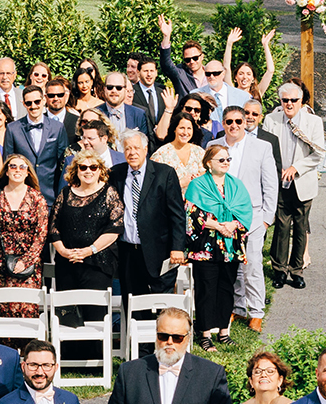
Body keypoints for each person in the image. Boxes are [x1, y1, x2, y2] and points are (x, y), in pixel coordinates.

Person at [215, 106, 277, 333]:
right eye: (229, 121)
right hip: (223, 218)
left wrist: (266, 219)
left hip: (253, 216)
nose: (234, 126)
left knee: (252, 264)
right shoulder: (214, 146)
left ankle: (257, 311)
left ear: (244, 123)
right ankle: (237, 307)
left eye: (238, 122)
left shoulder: (262, 147)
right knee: (231, 266)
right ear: (223, 123)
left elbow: (270, 184)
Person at [110, 130, 188, 305]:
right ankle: (136, 332)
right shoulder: (116, 174)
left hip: (160, 251)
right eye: (128, 148)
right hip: (128, 252)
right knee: (134, 304)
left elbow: (177, 215)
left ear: (145, 149)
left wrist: (177, 247)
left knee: (163, 303)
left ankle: (163, 333)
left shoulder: (164, 174)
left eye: (136, 148)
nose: (132, 152)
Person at [185, 142, 251, 347]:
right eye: (221, 160)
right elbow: (191, 213)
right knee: (206, 289)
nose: (225, 163)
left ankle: (223, 331)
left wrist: (232, 224)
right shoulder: (198, 185)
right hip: (205, 248)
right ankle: (205, 334)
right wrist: (218, 226)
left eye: (228, 159)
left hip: (229, 247)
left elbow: (245, 211)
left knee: (226, 288)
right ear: (208, 163)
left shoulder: (236, 184)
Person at [264, 80, 326, 288]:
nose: (289, 104)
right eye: (285, 100)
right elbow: (265, 149)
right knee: (281, 226)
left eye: (294, 100)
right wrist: (277, 168)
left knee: (300, 228)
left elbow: (318, 154)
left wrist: (296, 168)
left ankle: (297, 271)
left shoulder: (314, 122)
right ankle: (279, 270)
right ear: (280, 101)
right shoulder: (271, 120)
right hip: (279, 180)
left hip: (302, 181)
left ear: (301, 101)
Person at [49, 154, 123, 316]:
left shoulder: (109, 193)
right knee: (68, 317)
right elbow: (53, 227)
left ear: (100, 170)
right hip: (67, 263)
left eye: (93, 167)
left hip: (97, 264)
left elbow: (114, 229)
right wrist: (63, 251)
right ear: (76, 170)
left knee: (94, 317)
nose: (88, 171)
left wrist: (89, 250)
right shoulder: (65, 193)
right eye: (83, 167)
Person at [0, 153, 48, 316]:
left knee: (26, 311)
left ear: (28, 172)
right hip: (0, 263)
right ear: (6, 171)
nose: (17, 170)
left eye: (22, 167)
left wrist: (26, 261)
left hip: (28, 265)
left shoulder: (37, 198)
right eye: (13, 166)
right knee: (1, 311)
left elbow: (41, 234)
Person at [5, 84, 68, 208]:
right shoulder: (13, 129)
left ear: (44, 100)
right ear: (24, 104)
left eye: (37, 101)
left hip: (50, 196)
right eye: (29, 103)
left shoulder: (57, 128)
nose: (33, 106)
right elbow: (8, 162)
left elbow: (64, 163)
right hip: (20, 197)